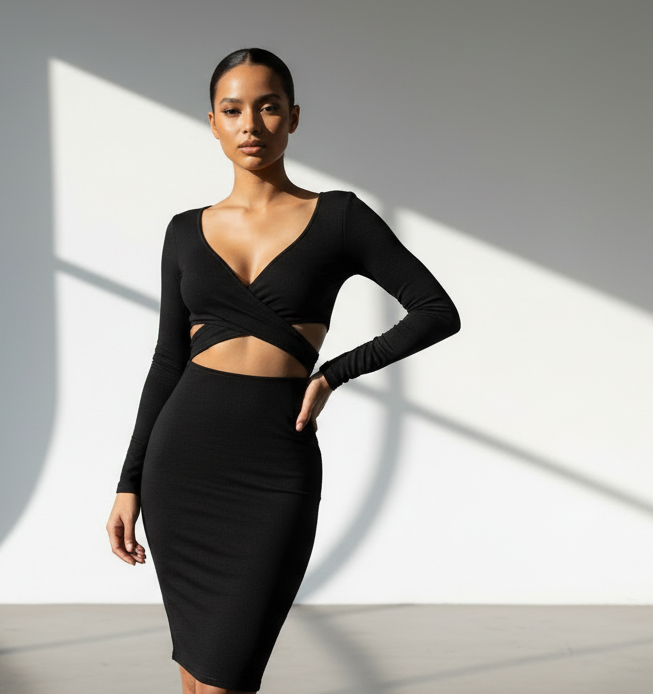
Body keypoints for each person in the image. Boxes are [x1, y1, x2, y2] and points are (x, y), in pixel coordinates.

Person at [106, 47, 461, 693]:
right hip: (181, 463)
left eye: (268, 107)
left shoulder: (340, 217)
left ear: (293, 118)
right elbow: (166, 361)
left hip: (273, 463)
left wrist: (332, 374)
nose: (251, 124)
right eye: (232, 110)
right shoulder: (185, 231)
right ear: (211, 122)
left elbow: (436, 311)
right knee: (197, 677)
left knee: (226, 676)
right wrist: (128, 483)